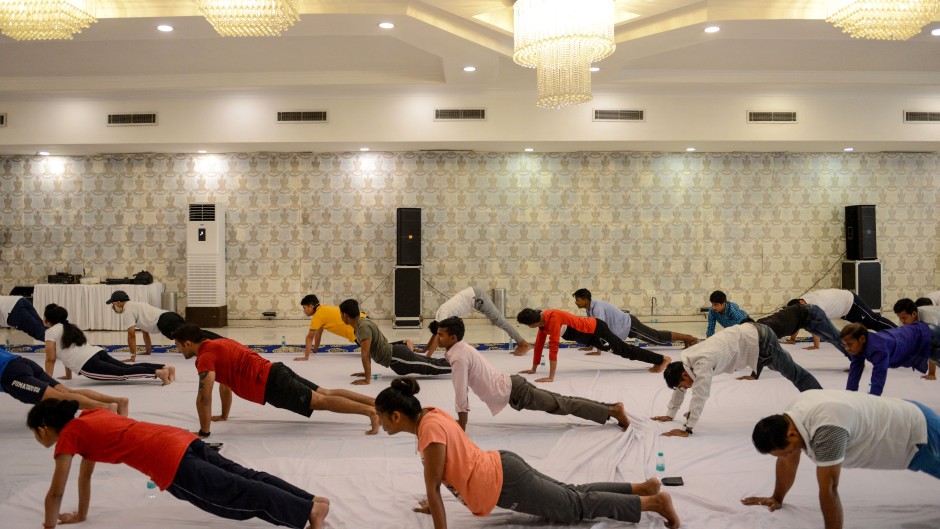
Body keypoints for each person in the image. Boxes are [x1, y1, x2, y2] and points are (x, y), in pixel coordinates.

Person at [374, 377, 681, 529]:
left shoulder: (428, 434)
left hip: (504, 482)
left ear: (396, 416)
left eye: (381, 416)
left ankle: (653, 502)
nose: (381, 422)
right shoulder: (430, 413)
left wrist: (435, 506)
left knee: (574, 506)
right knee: (572, 493)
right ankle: (642, 488)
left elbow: (434, 486)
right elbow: (440, 480)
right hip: (503, 466)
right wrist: (433, 501)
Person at [28, 399, 330, 529]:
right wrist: (81, 514)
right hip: (180, 439)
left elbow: (56, 492)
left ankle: (307, 511)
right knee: (243, 476)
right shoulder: (90, 419)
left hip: (169, 461)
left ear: (43, 429)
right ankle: (312, 500)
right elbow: (85, 477)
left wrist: (47, 525)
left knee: (235, 493)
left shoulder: (69, 437)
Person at [743, 389, 940, 529]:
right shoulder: (792, 415)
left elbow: (829, 488)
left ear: (792, 434)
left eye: (786, 451)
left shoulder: (827, 430)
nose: (787, 456)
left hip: (918, 437)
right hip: (907, 415)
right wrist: (777, 497)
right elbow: (788, 460)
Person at [173, 324, 379, 436]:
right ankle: (376, 404)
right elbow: (224, 384)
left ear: (188, 343)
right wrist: (224, 415)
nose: (178, 350)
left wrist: (204, 432)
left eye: (179, 346)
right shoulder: (218, 343)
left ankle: (370, 411)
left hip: (271, 385)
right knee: (325, 392)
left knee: (320, 401)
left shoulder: (205, 358)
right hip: (276, 371)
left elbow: (204, 397)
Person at [435, 316, 630, 430]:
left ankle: (612, 411)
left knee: (563, 404)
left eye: (441, 335)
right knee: (562, 401)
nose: (437, 338)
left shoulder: (459, 357)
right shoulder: (459, 349)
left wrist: (461, 427)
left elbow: (461, 394)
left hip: (516, 391)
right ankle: (612, 408)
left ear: (453, 337)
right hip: (513, 387)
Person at [652, 322, 821, 437]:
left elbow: (700, 395)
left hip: (761, 340)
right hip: (752, 341)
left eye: (685, 385)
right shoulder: (686, 360)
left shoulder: (702, 364)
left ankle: (823, 404)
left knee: (795, 374)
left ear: (684, 375)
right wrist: (670, 414)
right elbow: (680, 389)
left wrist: (687, 429)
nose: (687, 388)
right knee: (791, 370)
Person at [516, 308, 670, 383]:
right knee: (621, 351)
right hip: (589, 337)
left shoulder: (553, 319)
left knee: (623, 350)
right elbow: (539, 345)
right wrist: (534, 368)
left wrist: (551, 377)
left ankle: (662, 359)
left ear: (531, 324)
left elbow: (553, 348)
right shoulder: (542, 322)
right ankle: (658, 359)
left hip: (596, 330)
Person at [43, 304, 175, 384]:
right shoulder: (70, 326)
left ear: (47, 319)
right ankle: (165, 367)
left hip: (87, 364)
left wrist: (47, 381)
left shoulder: (50, 332)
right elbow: (67, 350)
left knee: (122, 373)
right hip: (97, 353)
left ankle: (158, 373)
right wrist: (68, 375)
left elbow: (50, 359)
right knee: (125, 367)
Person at [338, 299, 451, 385]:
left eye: (340, 314)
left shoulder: (363, 327)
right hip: (396, 358)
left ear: (345, 315)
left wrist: (367, 379)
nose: (340, 316)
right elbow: (372, 350)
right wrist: (367, 373)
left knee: (429, 366)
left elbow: (365, 354)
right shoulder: (360, 324)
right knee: (429, 362)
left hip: (398, 357)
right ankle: (455, 362)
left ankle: (459, 366)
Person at [0, 346, 128, 415]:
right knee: (66, 391)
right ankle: (118, 401)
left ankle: (105, 407)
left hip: (11, 373)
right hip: (22, 362)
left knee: (57, 397)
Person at [105, 290, 222, 361]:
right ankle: (221, 341)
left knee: (189, 336)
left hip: (165, 322)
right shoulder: (136, 305)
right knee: (195, 332)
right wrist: (148, 350)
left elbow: (131, 336)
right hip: (169, 315)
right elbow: (145, 331)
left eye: (113, 304)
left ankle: (220, 343)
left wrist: (132, 357)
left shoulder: (127, 310)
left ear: (119, 303)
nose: (113, 306)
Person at [572, 289, 698, 353]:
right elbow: (594, 329)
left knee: (656, 338)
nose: (576, 303)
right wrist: (590, 346)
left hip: (630, 325)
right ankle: (686, 339)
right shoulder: (590, 309)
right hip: (626, 326)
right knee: (656, 337)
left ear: (585, 300)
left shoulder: (597, 308)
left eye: (578, 300)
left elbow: (600, 329)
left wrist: (598, 351)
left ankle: (689, 338)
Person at [422, 286, 531, 357]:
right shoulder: (439, 317)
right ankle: (522, 343)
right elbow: (435, 335)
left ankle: (523, 344)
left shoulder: (442, 314)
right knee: (498, 321)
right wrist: (424, 350)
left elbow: (437, 335)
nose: (440, 337)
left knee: (499, 320)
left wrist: (428, 356)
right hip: (474, 296)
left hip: (477, 297)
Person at [839, 322, 940, 392]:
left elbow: (878, 377)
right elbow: (855, 371)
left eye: (849, 344)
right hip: (917, 333)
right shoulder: (858, 346)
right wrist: (850, 396)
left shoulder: (878, 348)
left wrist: (873, 401)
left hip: (929, 335)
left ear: (862, 339)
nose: (847, 348)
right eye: (845, 344)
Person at [756, 303, 850, 358]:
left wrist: (816, 345)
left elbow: (768, 353)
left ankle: (856, 359)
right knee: (831, 338)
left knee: (836, 336)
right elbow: (793, 322)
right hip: (806, 321)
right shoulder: (760, 324)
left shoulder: (767, 330)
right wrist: (792, 340)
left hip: (811, 314)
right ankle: (854, 359)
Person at [787, 288, 896, 332]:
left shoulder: (816, 303)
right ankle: (892, 339)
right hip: (845, 311)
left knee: (874, 320)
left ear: (801, 302)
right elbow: (799, 319)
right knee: (868, 326)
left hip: (851, 303)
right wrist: (792, 340)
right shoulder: (803, 301)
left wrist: (816, 345)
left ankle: (902, 334)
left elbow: (818, 323)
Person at [293, 294, 363, 361]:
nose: (304, 311)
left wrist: (305, 357)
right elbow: (318, 334)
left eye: (305, 308)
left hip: (359, 330)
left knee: (371, 353)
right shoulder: (323, 309)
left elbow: (309, 338)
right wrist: (314, 351)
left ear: (311, 306)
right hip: (363, 320)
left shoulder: (318, 316)